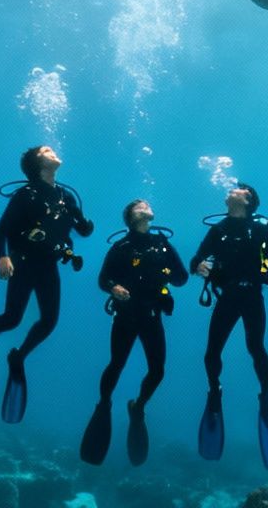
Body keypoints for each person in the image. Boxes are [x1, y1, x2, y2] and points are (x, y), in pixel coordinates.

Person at [0, 144, 94, 423]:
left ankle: (18, 356)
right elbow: (1, 231)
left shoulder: (65, 196)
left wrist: (84, 225)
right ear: (38, 163)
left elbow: (81, 228)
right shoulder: (26, 194)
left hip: (48, 264)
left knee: (49, 321)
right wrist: (2, 258)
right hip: (22, 262)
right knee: (12, 319)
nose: (53, 151)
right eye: (47, 150)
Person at [79, 198, 188, 467]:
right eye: (140, 205)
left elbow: (181, 277)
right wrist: (114, 288)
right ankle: (104, 404)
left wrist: (171, 276)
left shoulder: (162, 243)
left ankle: (138, 407)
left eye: (148, 204)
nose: (147, 206)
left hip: (152, 315)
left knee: (158, 370)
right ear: (130, 217)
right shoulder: (121, 247)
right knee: (116, 364)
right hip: (126, 316)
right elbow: (103, 279)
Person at [192, 182, 268, 469]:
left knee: (256, 348)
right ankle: (214, 393)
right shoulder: (218, 230)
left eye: (236, 189)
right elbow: (195, 260)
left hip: (251, 296)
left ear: (247, 199)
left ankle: (266, 396)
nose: (230, 190)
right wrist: (198, 266)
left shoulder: (260, 230)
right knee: (211, 353)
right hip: (227, 298)